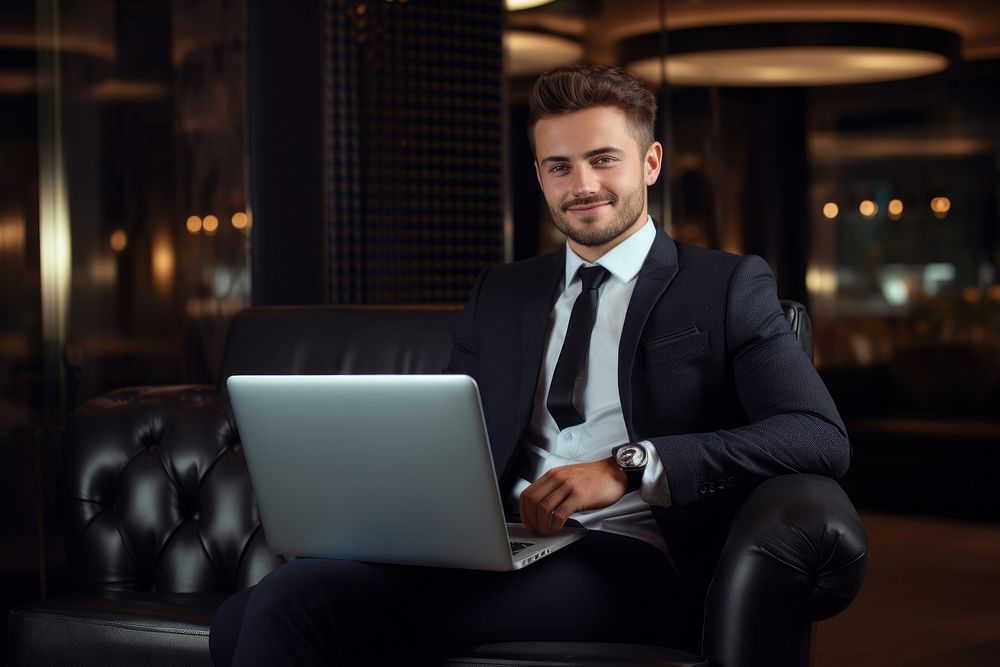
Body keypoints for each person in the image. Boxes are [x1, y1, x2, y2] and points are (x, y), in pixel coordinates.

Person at [210, 64, 848, 665]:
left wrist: (631, 466)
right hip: (502, 544)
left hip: (635, 556)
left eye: (603, 160)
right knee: (242, 619)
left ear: (651, 163)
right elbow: (454, 438)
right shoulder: (502, 292)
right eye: (559, 167)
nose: (583, 185)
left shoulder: (726, 285)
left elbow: (817, 436)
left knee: (290, 608)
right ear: (540, 177)